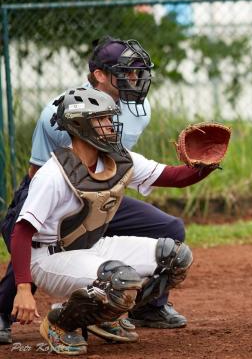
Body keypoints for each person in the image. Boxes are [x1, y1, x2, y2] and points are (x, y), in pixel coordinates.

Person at [0, 37, 186, 345]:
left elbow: (122, 166)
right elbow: (37, 174)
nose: (135, 79)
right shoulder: (59, 113)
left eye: (138, 72)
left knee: (170, 229)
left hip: (104, 186)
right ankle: (5, 310)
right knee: (39, 240)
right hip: (57, 189)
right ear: (100, 75)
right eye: (126, 72)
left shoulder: (140, 109)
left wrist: (200, 168)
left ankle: (147, 308)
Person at [10, 87, 219, 355]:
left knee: (175, 257)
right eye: (103, 120)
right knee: (119, 279)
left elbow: (173, 177)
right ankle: (59, 323)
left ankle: (108, 314)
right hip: (49, 259)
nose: (111, 126)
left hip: (93, 247)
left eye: (110, 118)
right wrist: (24, 289)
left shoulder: (118, 159)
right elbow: (22, 232)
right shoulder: (53, 174)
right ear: (79, 125)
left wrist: (205, 165)